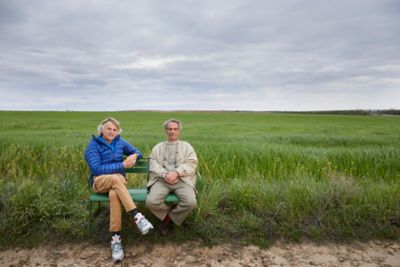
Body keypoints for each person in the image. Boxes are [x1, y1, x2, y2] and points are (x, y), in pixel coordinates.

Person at [85, 117, 153, 262]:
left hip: (118, 183)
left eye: (115, 130)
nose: (112, 132)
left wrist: (134, 155)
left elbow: (137, 152)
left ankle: (116, 240)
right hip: (100, 181)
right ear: (102, 129)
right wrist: (121, 166)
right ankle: (137, 217)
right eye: (109, 129)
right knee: (115, 180)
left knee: (114, 193)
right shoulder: (93, 145)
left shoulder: (120, 142)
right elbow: (97, 169)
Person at [146, 119, 198, 236]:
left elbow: (192, 163)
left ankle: (167, 220)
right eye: (170, 129)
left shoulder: (187, 146)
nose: (172, 131)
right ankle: (173, 217)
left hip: (182, 180)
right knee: (151, 202)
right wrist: (164, 174)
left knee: (190, 202)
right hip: (161, 180)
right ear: (166, 130)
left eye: (175, 129)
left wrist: (177, 173)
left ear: (179, 131)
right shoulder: (158, 147)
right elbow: (152, 163)